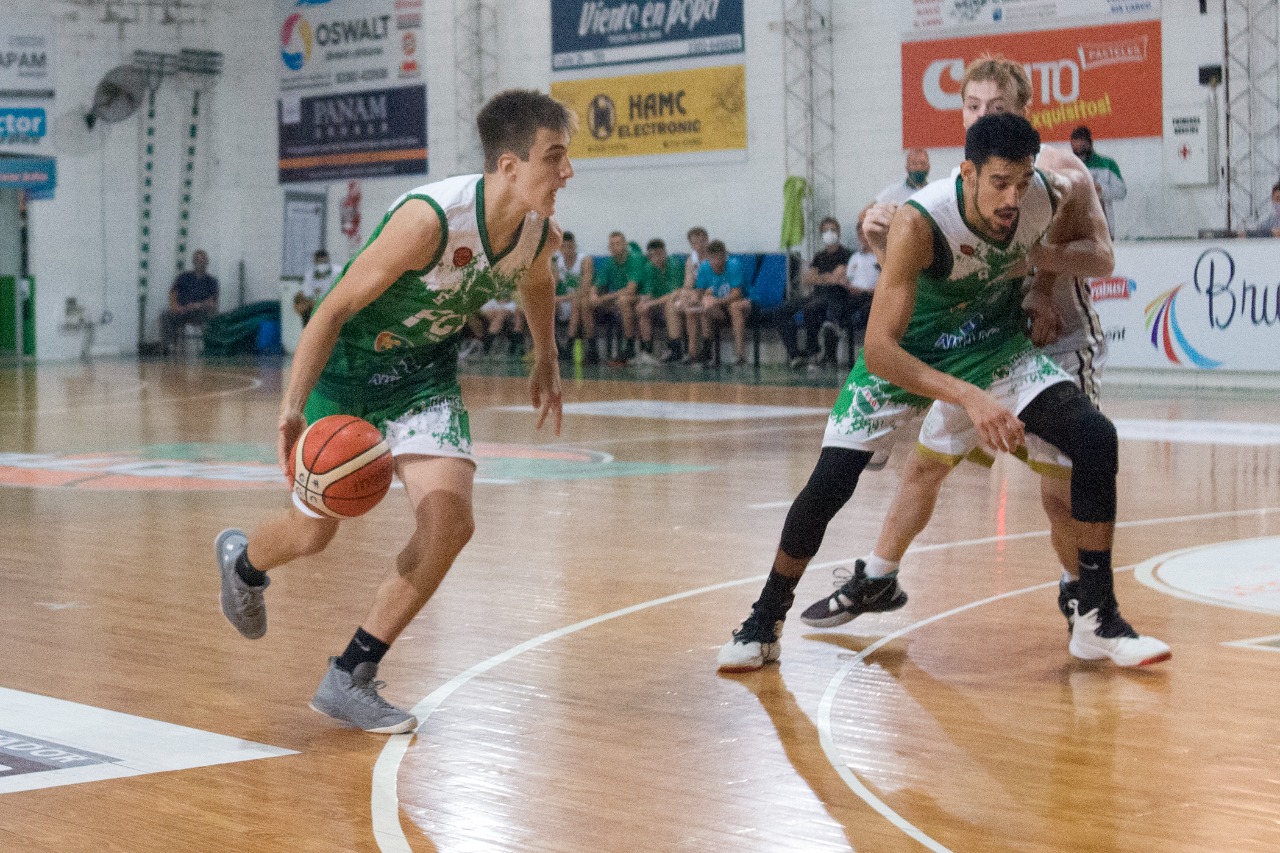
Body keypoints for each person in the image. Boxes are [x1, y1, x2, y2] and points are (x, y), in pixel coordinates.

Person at [717, 113, 1169, 674]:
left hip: (992, 347)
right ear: (968, 173)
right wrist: (970, 399)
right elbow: (879, 350)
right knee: (829, 483)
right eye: (999, 182)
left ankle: (1098, 619)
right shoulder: (921, 222)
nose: (1012, 197)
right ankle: (765, 618)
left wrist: (1046, 285)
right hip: (909, 353)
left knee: (1096, 438)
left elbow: (1091, 243)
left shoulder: (1043, 197)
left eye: (1022, 181)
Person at [214, 89, 572, 733]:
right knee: (315, 532)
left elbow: (538, 281)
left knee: (450, 523)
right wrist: (292, 407)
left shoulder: (539, 234)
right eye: (555, 157)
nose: (567, 171)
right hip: (348, 372)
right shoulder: (429, 220)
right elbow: (332, 309)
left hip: (422, 376)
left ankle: (350, 674)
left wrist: (546, 354)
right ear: (510, 165)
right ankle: (243, 563)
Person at [850, 55, 1114, 638]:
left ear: (1022, 111)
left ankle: (1084, 599)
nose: (981, 116)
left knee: (1058, 490)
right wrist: (880, 241)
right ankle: (876, 574)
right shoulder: (964, 177)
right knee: (924, 465)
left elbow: (1102, 258)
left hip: (1059, 337)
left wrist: (1041, 274)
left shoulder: (1061, 169)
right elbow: (935, 282)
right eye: (972, 107)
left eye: (995, 108)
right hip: (989, 342)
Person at [775, 216, 853, 368]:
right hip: (816, 295)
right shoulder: (819, 256)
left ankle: (814, 351)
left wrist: (820, 277)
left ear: (839, 232)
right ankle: (795, 355)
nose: (829, 233)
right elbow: (807, 279)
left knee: (812, 308)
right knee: (781, 311)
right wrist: (827, 277)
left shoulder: (847, 254)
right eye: (825, 230)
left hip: (835, 296)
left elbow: (838, 278)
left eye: (832, 230)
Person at [685, 239, 748, 366]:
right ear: (708, 257)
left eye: (720, 258)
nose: (717, 262)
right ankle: (702, 351)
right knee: (702, 308)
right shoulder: (704, 267)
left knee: (734, 308)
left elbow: (737, 294)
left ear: (725, 255)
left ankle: (740, 355)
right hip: (716, 307)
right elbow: (700, 291)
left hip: (736, 303)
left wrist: (717, 301)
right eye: (713, 258)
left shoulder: (734, 265)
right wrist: (695, 298)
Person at [588, 231, 644, 364]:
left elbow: (631, 290)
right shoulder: (609, 262)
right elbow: (598, 284)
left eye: (618, 243)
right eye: (611, 244)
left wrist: (603, 298)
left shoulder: (635, 259)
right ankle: (592, 349)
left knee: (623, 301)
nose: (614, 247)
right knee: (585, 303)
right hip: (615, 299)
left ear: (625, 244)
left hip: (638, 298)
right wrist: (593, 294)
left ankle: (629, 346)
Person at [633, 238, 686, 365]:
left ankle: (675, 350)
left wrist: (650, 303)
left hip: (676, 303)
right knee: (643, 309)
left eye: (659, 254)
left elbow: (674, 293)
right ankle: (647, 351)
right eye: (653, 256)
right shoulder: (649, 267)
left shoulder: (674, 264)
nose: (657, 258)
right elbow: (648, 293)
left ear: (665, 252)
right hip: (657, 305)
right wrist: (643, 302)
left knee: (670, 305)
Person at [1070, 126, 1126, 237]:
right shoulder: (1068, 166)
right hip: (1074, 230)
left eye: (1082, 147)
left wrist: (1101, 189)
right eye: (1075, 148)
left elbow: (1121, 192)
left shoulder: (1107, 164)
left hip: (1103, 228)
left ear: (1090, 144)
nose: (1079, 153)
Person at [160, 248, 218, 354]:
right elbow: (173, 293)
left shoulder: (211, 281)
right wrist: (176, 307)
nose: (199, 263)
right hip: (182, 310)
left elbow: (212, 302)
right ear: (193, 262)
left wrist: (198, 305)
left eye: (202, 261)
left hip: (200, 312)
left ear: (206, 263)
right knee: (166, 314)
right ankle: (169, 346)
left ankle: (208, 347)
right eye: (197, 261)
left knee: (210, 317)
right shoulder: (184, 277)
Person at [552, 231, 594, 357]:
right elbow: (551, 287)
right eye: (563, 247)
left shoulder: (584, 260)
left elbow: (584, 290)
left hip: (581, 301)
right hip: (564, 302)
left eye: (570, 247)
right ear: (559, 248)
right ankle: (555, 346)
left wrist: (560, 298)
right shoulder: (556, 262)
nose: (567, 250)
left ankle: (570, 344)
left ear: (574, 245)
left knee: (577, 303)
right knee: (546, 306)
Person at [295, 249, 337, 326]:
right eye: (319, 262)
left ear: (328, 260)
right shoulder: (310, 276)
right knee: (306, 309)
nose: (322, 264)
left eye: (324, 262)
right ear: (315, 261)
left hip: (335, 304)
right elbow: (308, 295)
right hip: (317, 306)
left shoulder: (337, 271)